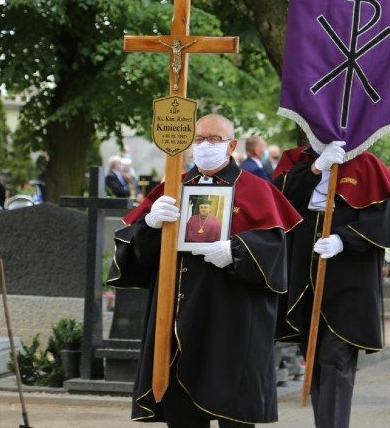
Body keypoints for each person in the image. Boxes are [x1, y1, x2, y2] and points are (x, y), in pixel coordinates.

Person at [107, 114, 301, 427]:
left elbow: (275, 250)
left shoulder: (256, 189)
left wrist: (236, 252)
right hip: (181, 315)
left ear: (231, 145)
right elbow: (137, 253)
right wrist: (151, 224)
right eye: (198, 140)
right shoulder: (173, 186)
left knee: (234, 409)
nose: (204, 145)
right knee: (181, 408)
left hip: (234, 317)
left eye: (213, 139)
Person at [274, 140, 390, 428]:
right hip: (306, 277)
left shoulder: (367, 164)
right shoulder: (297, 161)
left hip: (350, 280)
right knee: (317, 358)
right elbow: (280, 200)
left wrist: (344, 239)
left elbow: (384, 223)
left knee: (336, 358)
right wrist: (314, 168)